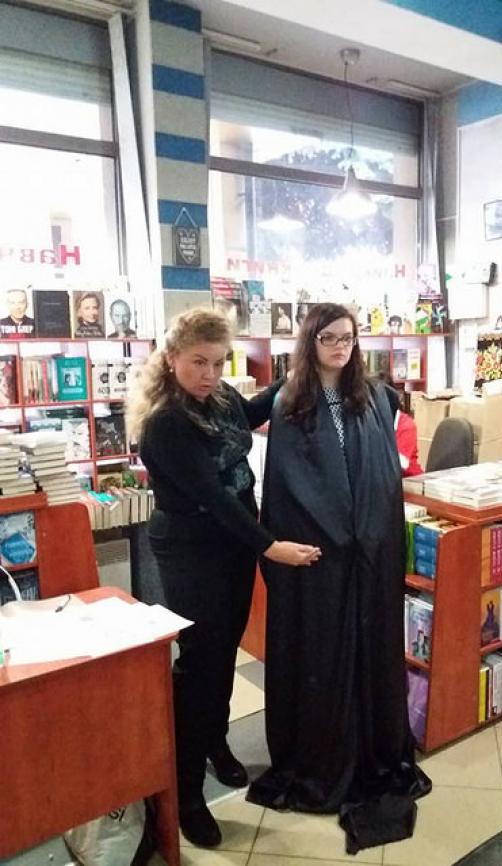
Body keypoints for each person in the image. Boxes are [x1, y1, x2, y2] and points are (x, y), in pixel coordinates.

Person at [127, 308, 320, 849]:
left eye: (217, 362)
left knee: (223, 653)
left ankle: (215, 742)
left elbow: (251, 412)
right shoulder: (166, 422)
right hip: (193, 549)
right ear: (172, 358)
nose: (209, 374)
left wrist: (297, 372)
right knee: (200, 666)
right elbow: (214, 498)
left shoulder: (219, 397)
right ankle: (185, 794)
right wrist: (270, 545)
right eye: (198, 363)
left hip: (231, 544)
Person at [247, 303, 431, 854]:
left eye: (347, 337)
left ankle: (374, 748)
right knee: (322, 655)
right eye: (328, 338)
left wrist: (369, 534)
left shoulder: (373, 397)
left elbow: (382, 477)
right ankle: (323, 755)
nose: (339, 346)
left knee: (370, 651)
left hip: (369, 553)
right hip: (320, 556)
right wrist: (330, 534)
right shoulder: (290, 402)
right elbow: (289, 484)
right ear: (310, 342)